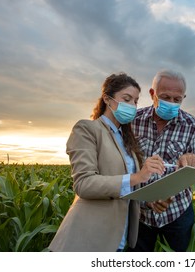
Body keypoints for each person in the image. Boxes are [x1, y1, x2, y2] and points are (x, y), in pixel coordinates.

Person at [48, 73, 165, 252]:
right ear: (107, 99)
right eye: (126, 99)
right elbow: (84, 184)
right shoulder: (87, 129)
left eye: (135, 101)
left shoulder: (127, 139)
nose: (132, 106)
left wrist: (148, 201)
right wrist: (137, 177)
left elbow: (124, 190)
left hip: (119, 237)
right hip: (90, 237)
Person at [129, 69, 195, 252]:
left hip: (178, 212)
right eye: (165, 97)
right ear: (152, 94)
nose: (172, 103)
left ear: (184, 97)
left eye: (177, 99)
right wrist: (148, 198)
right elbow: (120, 163)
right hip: (139, 213)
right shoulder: (133, 121)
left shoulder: (192, 125)